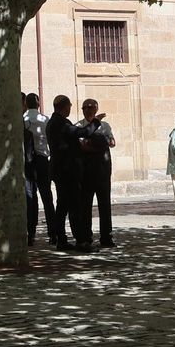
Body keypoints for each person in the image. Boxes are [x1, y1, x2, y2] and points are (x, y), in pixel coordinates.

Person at [71, 98, 115, 247]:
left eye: (91, 107)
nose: (88, 110)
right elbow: (81, 146)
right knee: (85, 205)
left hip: (103, 170)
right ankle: (86, 236)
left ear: (96, 109)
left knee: (105, 205)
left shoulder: (105, 126)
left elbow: (112, 142)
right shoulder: (78, 126)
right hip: (87, 171)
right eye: (86, 107)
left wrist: (95, 143)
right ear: (82, 109)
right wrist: (99, 146)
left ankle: (106, 237)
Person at [22, 94, 56, 245]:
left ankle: (31, 234)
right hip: (42, 160)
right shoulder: (45, 119)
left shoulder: (21, 120)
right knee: (47, 197)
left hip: (27, 161)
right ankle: (53, 233)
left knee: (30, 197)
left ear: (25, 104)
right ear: (38, 104)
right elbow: (51, 141)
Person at [46, 96, 76, 249]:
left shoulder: (52, 122)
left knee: (62, 205)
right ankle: (61, 239)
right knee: (64, 206)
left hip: (58, 169)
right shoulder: (61, 123)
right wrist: (95, 122)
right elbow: (78, 133)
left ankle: (60, 237)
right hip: (64, 170)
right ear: (65, 107)